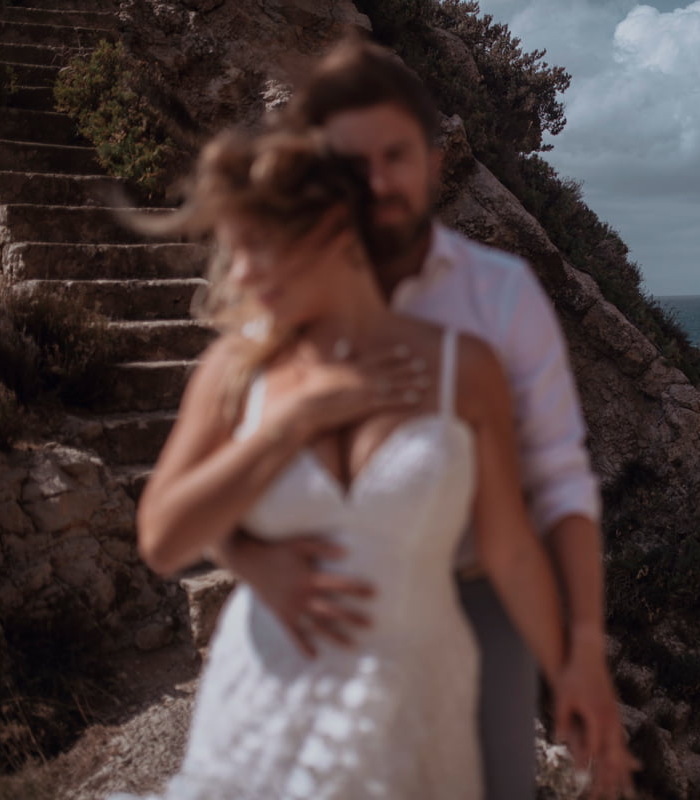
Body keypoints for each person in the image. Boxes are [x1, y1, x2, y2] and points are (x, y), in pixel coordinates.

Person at [213, 37, 636, 799]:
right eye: (353, 163)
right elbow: (216, 470)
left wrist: (580, 652)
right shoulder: (278, 303)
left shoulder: (500, 295)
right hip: (323, 608)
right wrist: (250, 559)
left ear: (437, 162)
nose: (378, 182)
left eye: (397, 155)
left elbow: (558, 480)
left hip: (475, 596)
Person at [119, 126, 569, 798]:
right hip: (263, 700)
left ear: (334, 229)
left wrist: (575, 676)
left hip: (418, 706)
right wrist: (293, 424)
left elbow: (510, 550)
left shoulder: (465, 369)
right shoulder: (235, 369)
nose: (237, 275)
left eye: (255, 247)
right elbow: (162, 540)